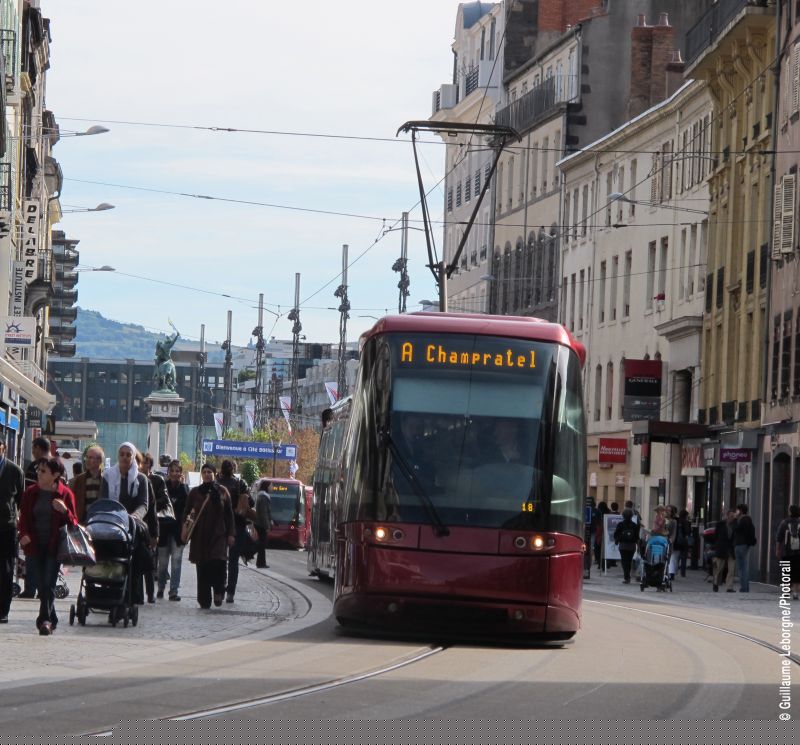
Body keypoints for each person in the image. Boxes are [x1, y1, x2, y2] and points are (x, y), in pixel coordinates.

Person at [17, 458, 78, 634]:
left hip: (54, 546)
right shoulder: (30, 493)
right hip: (33, 546)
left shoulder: (65, 494)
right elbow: (23, 519)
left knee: (48, 583)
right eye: (38, 470)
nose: (38, 473)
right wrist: (23, 535)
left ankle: (44, 620)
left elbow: (74, 523)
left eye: (43, 471)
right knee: (39, 583)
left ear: (55, 475)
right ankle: (53, 617)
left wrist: (64, 511)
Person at [101, 442, 153, 606]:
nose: (124, 457)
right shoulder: (108, 476)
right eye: (121, 454)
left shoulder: (141, 479)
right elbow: (103, 500)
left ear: (133, 457)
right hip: (111, 523)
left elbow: (144, 504)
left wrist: (134, 517)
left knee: (136, 556)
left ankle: (132, 595)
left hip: (133, 525)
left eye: (128, 454)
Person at [183, 463, 235, 609]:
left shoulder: (222, 492)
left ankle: (219, 590)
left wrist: (231, 533)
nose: (207, 474)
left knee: (218, 563)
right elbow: (187, 511)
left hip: (219, 535)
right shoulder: (195, 493)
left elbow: (229, 515)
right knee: (203, 567)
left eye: (209, 472)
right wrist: (185, 527)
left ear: (214, 473)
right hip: (200, 537)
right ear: (201, 474)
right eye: (204, 472)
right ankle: (204, 599)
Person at [216, 459, 255, 604]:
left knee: (219, 559)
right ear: (234, 469)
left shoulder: (216, 483)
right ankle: (230, 592)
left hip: (219, 525)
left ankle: (220, 588)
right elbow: (251, 503)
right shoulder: (240, 483)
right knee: (233, 561)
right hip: (237, 525)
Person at [0, 441, 25, 622]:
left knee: (6, 570)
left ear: (3, 448)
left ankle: (3, 610)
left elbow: (20, 500)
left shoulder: (15, 471)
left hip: (6, 527)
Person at [158, 460, 188, 600]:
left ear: (180, 473)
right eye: (172, 471)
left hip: (178, 532)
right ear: (168, 472)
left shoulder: (185, 489)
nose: (175, 473)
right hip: (163, 530)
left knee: (176, 561)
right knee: (163, 562)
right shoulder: (162, 487)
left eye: (177, 471)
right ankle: (161, 588)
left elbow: (188, 511)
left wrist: (185, 529)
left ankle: (173, 591)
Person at [138, 454, 162, 604]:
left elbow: (153, 508)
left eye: (146, 463)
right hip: (134, 526)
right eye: (141, 463)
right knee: (135, 563)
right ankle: (138, 595)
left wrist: (155, 533)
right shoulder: (132, 478)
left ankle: (150, 593)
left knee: (148, 562)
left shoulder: (155, 480)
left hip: (147, 527)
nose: (143, 465)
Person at [71, 446, 105, 523]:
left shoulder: (105, 480)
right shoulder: (79, 480)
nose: (87, 460)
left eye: (91, 458)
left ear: (100, 460)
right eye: (87, 457)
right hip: (82, 522)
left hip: (99, 522)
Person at [776, 504, 800, 600]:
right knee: (797, 573)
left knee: (786, 571)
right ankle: (795, 593)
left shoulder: (784, 523)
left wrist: (778, 550)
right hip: (798, 553)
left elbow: (779, 537)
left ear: (790, 512)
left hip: (787, 552)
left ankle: (786, 592)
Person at [732, 503, 756, 593]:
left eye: (737, 510)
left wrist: (734, 519)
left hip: (740, 544)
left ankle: (744, 588)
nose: (736, 512)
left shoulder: (742, 520)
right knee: (744, 567)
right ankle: (745, 588)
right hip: (745, 545)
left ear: (741, 511)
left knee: (742, 567)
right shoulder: (748, 519)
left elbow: (736, 529)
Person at [712, 510, 737, 593]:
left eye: (734, 516)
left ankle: (729, 587)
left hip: (730, 549)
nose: (732, 518)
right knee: (719, 568)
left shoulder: (735, 525)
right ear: (727, 516)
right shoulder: (720, 524)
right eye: (731, 516)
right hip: (721, 549)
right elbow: (715, 536)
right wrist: (716, 547)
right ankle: (715, 583)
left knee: (731, 569)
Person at [613, 508, 640, 584]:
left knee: (624, 561)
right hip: (632, 546)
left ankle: (627, 577)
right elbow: (637, 537)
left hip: (623, 545)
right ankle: (628, 575)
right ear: (631, 516)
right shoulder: (635, 525)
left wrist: (617, 540)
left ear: (623, 516)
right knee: (629, 560)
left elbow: (616, 534)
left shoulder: (620, 524)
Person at [254, 487, 273, 569]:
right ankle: (261, 563)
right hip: (261, 524)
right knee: (262, 544)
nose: (272, 487)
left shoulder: (260, 496)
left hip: (258, 523)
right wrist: (267, 526)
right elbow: (264, 512)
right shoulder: (264, 497)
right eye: (270, 486)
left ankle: (261, 562)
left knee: (262, 543)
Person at [674, 509, 693, 578]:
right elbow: (688, 532)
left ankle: (674, 571)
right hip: (684, 541)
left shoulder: (677, 521)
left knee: (676, 557)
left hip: (677, 541)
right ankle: (683, 573)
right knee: (683, 557)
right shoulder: (686, 522)